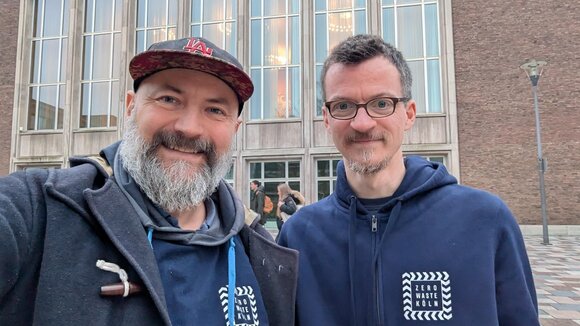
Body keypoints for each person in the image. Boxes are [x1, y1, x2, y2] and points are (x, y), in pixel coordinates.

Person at [0, 36, 298, 326]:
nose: (189, 128)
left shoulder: (259, 249)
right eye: (169, 99)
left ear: (235, 128)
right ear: (131, 107)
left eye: (215, 110)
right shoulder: (39, 209)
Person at [278, 34, 539, 325]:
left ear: (409, 114)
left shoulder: (485, 221)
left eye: (381, 103)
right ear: (326, 119)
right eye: (343, 106)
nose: (362, 123)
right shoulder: (298, 237)